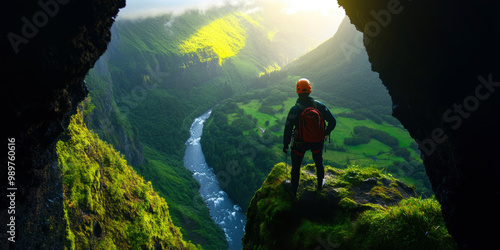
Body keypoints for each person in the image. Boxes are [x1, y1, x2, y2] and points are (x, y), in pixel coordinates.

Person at [283, 78, 336, 197]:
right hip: (317, 141)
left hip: (300, 143)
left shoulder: (294, 109)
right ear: (310, 90)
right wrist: (324, 132)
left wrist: (285, 145)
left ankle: (293, 189)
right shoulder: (320, 106)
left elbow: (288, 129)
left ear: (297, 91)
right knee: (318, 162)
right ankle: (320, 184)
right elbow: (333, 121)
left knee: (296, 167)